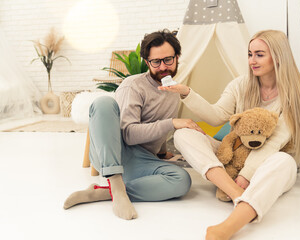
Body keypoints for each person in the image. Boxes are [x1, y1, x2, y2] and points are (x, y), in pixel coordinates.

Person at [158, 29, 300, 239]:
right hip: (234, 158)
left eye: (259, 54)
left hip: (268, 164)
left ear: (278, 56)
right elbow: (216, 115)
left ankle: (228, 227)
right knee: (183, 135)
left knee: (284, 161)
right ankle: (234, 191)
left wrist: (246, 175)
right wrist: (187, 92)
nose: (252, 61)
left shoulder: (296, 95)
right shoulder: (240, 85)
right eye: (250, 54)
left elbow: (273, 143)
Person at [63, 29, 205, 220]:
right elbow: (129, 134)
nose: (163, 66)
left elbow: (157, 122)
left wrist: (162, 152)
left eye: (168, 60)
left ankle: (104, 192)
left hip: (142, 160)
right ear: (147, 62)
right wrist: (172, 123)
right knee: (103, 103)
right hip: (113, 152)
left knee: (182, 180)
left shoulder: (174, 90)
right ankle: (115, 184)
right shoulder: (133, 85)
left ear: (177, 57)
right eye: (156, 62)